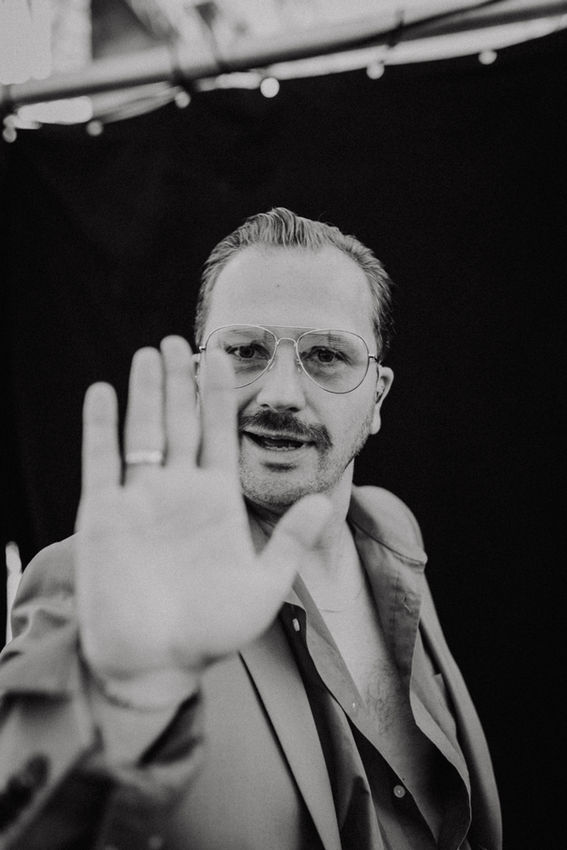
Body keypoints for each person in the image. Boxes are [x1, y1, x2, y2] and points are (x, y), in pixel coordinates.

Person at [0, 208, 501, 850]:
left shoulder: (393, 533)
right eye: (245, 352)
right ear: (197, 378)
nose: (281, 393)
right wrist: (116, 704)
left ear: (377, 397)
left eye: (327, 356)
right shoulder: (107, 579)